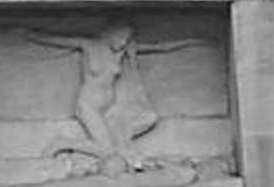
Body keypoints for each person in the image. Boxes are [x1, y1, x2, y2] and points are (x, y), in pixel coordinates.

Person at [23, 22, 203, 173]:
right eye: (121, 38)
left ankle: (88, 161)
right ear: (111, 34)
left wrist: (190, 42)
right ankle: (63, 143)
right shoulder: (89, 45)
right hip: (89, 105)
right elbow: (58, 41)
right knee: (109, 151)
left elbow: (158, 47)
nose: (123, 42)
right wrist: (29, 34)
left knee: (122, 143)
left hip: (110, 108)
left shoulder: (122, 52)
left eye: (126, 40)